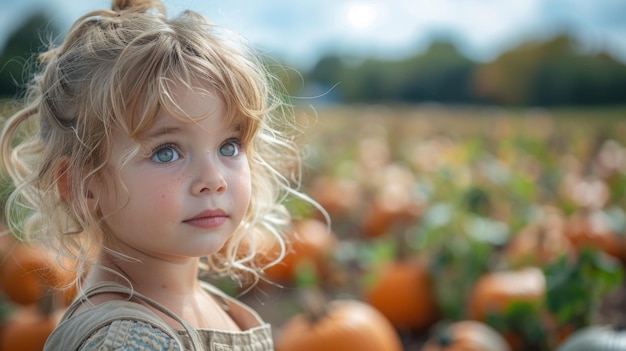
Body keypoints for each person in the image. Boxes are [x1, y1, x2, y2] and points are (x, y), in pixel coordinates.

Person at [0, 0, 317, 349]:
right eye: (166, 152)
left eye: (229, 146)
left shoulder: (216, 306)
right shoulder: (127, 342)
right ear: (83, 185)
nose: (214, 178)